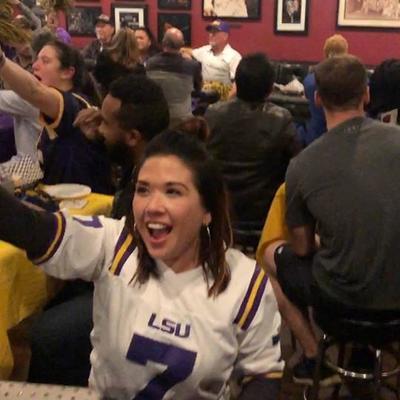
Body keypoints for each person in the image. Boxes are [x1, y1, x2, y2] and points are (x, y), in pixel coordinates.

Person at [0, 129, 284, 399]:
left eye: (173, 192)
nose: (152, 206)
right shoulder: (116, 245)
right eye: (143, 190)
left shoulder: (244, 283)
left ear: (207, 211)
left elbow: (262, 376)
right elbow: (32, 229)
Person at [261, 54, 400, 386]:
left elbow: (303, 247)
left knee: (268, 260)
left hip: (339, 303)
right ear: (366, 94)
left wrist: (330, 238)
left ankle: (312, 355)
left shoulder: (302, 165)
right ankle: (364, 348)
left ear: (317, 97)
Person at [28, 74, 170, 386]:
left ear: (133, 136)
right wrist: (100, 139)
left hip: (147, 296)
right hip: (129, 277)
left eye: (104, 121)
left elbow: (135, 265)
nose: (97, 125)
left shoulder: (155, 189)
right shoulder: (150, 157)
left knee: (46, 334)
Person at [0, 41, 112, 193]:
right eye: (37, 59)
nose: (35, 65)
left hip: (84, 206)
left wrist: (2, 61)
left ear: (67, 72)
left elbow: (33, 90)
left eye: (45, 61)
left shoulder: (73, 104)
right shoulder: (66, 104)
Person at [206, 53, 299, 229]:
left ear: (237, 84)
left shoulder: (213, 113)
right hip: (264, 212)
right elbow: (295, 166)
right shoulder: (280, 118)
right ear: (270, 88)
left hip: (219, 208)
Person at [146, 28, 202, 128]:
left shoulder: (150, 63)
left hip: (156, 117)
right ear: (182, 44)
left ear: (163, 42)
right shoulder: (192, 65)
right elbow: (198, 89)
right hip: (182, 120)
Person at [302, 34, 348, 146]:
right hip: (345, 138)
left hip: (315, 137)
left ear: (325, 52)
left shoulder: (310, 80)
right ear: (346, 52)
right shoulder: (354, 80)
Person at [191, 20, 241, 100]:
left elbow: (238, 83)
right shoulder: (204, 51)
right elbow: (188, 52)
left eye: (215, 33)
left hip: (223, 98)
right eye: (210, 32)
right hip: (202, 98)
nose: (211, 35)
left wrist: (225, 101)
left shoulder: (234, 57)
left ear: (225, 36)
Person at [93, 27, 145, 99]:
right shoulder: (139, 67)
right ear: (134, 43)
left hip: (107, 100)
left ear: (115, 40)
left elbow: (96, 77)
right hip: (130, 104)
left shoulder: (104, 57)